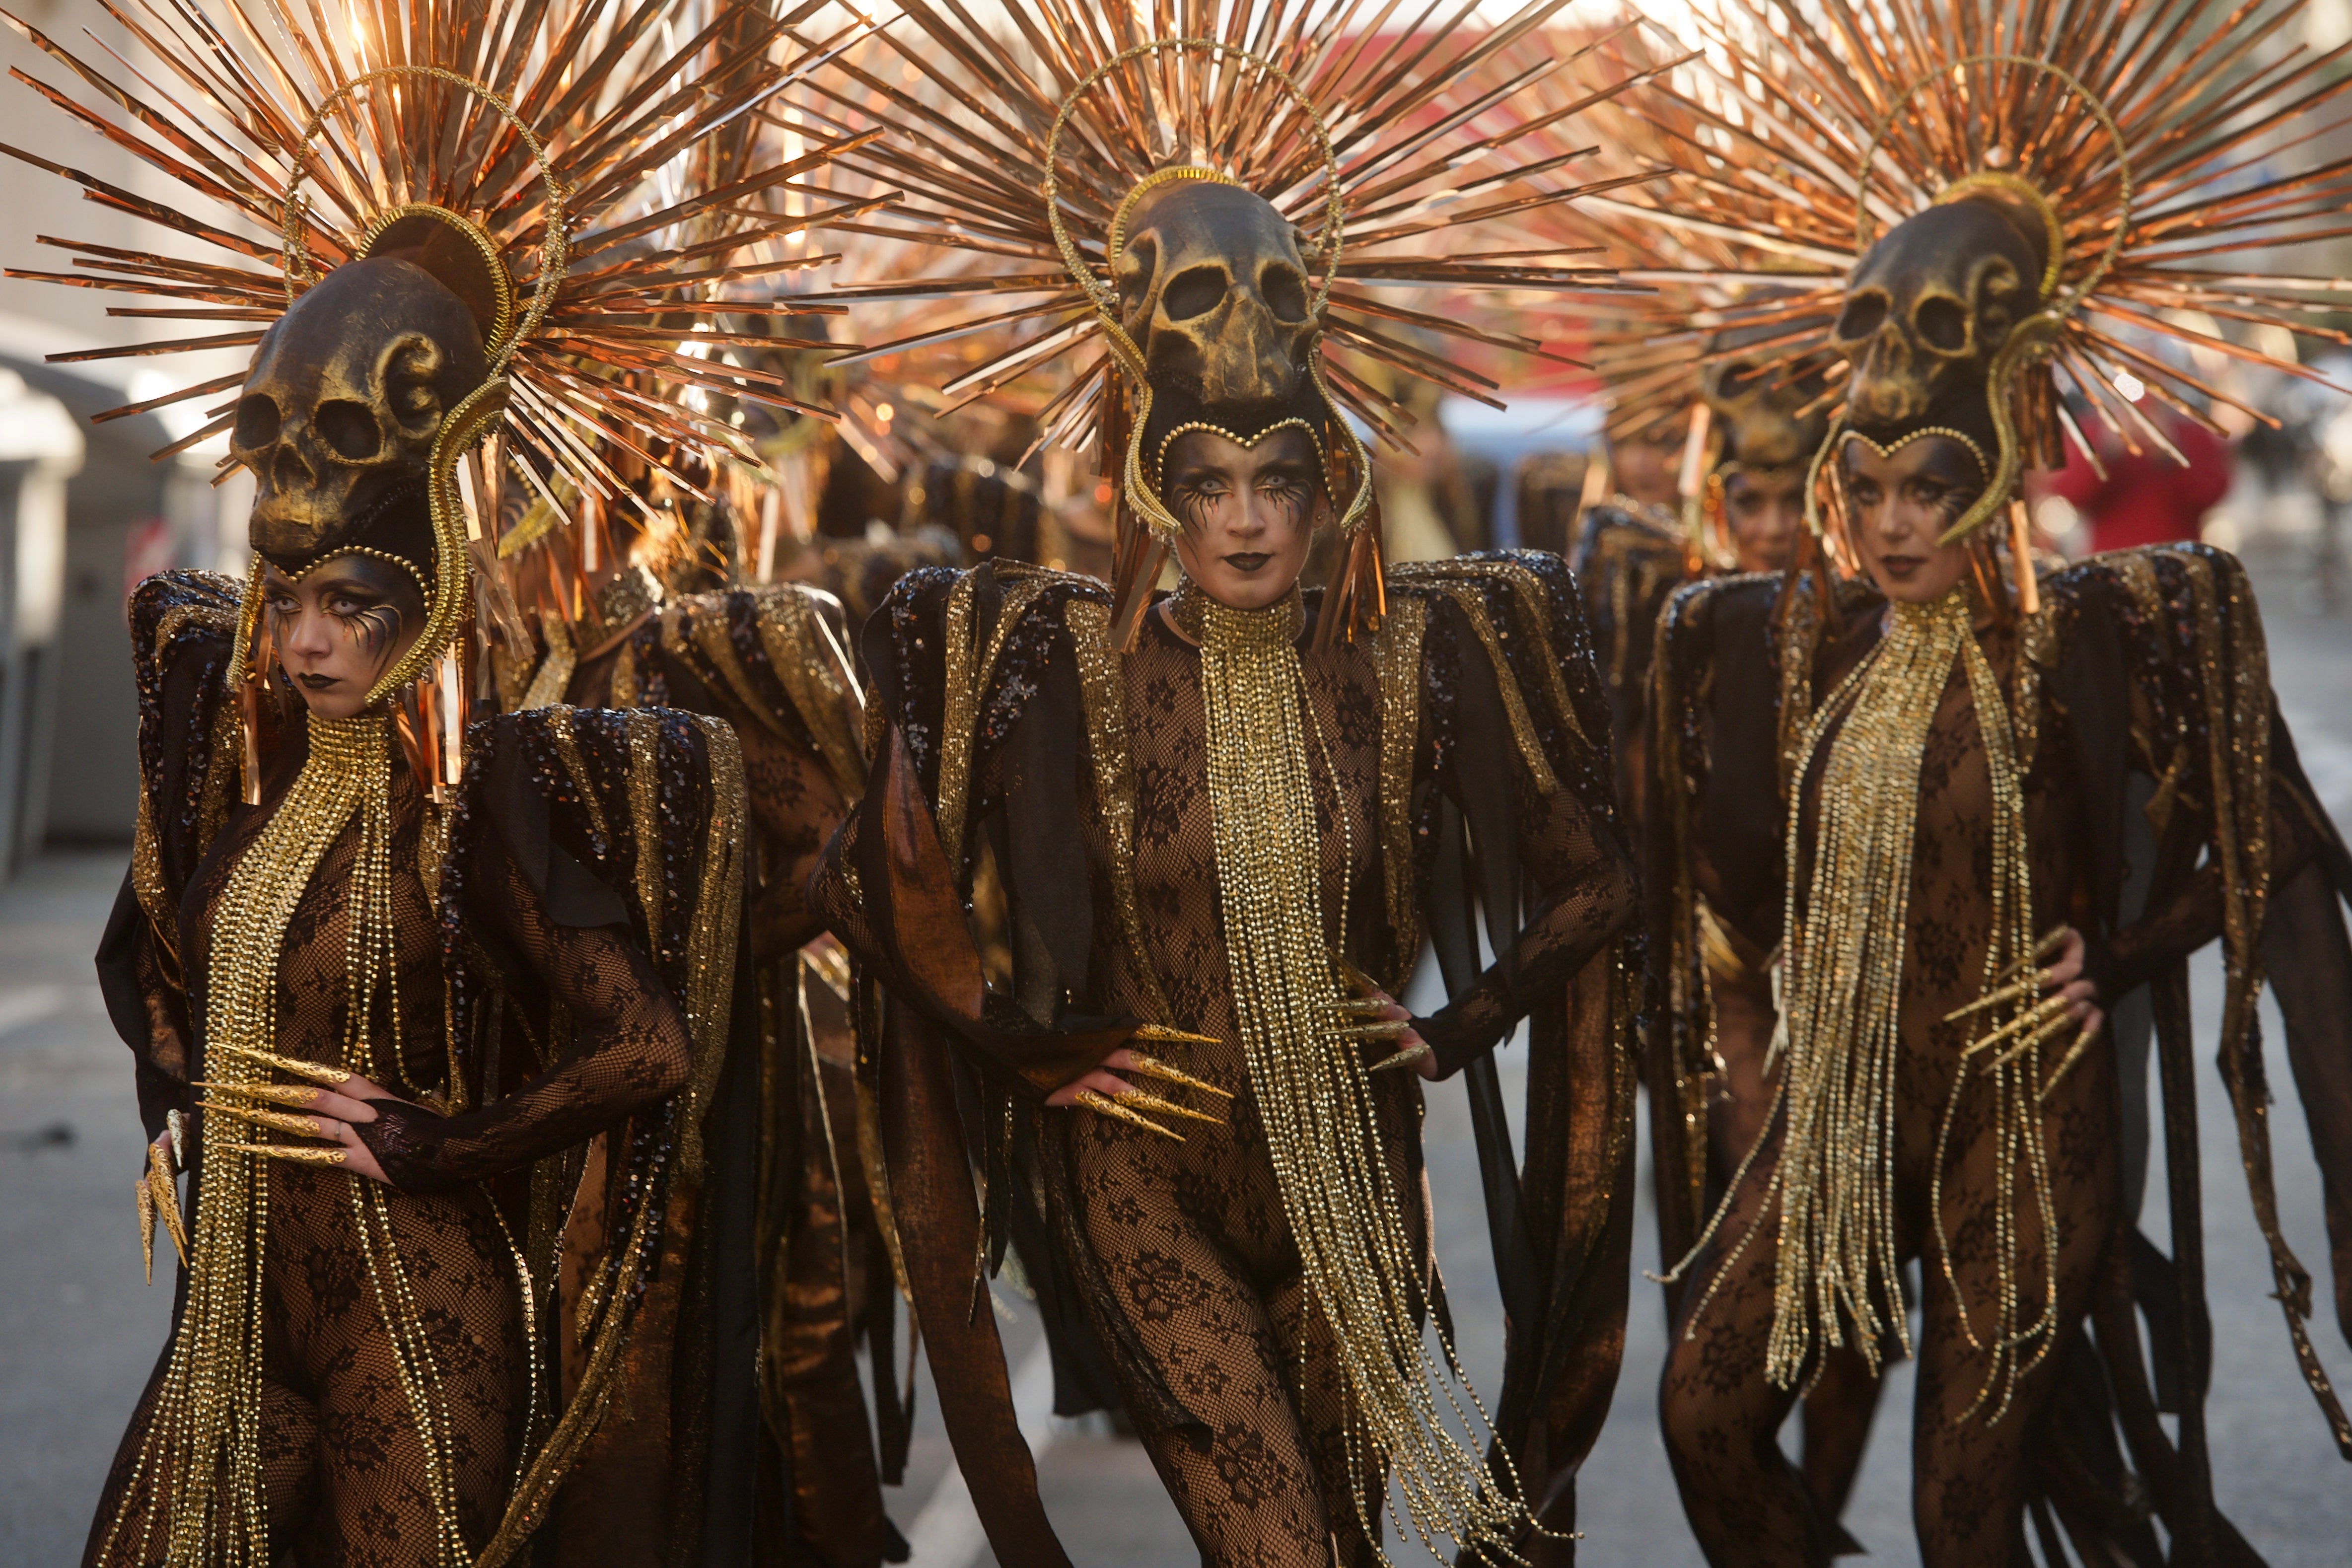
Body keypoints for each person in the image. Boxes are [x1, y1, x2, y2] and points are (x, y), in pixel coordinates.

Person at [791, 7, 1660, 1563]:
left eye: (1276, 481)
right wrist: (1027, 1047)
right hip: (1143, 1177)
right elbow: (866, 880)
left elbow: (1600, 878)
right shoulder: (1036, 663)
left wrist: (1457, 1028)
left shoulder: (1419, 658)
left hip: (1353, 1175)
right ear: (1152, 486)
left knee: (1340, 1535)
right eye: (1207, 482)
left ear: (1326, 488)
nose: (1246, 522)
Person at [6, 3, 868, 1560]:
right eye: (293, 607)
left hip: (424, 1327)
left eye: (354, 614)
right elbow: (153, 949)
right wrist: (177, 1105)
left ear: (424, 612)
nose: (310, 642)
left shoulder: (492, 793)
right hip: (242, 1322)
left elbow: (649, 1045)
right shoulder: (241, 756)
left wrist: (445, 1142)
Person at [1628, 5, 2352, 1563]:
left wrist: (2124, 954)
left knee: (1962, 1510)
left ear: (1999, 462)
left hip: (2025, 1129)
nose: (1894, 528)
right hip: (1837, 1116)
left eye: (1929, 493)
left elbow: (2272, 848)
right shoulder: (1792, 637)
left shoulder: (2101, 637)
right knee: (1702, 1408)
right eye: (1869, 489)